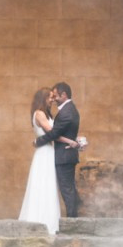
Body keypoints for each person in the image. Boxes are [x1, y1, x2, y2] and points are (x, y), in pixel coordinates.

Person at [33, 81, 82, 219]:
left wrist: (38, 141)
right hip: (63, 154)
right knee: (68, 189)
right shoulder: (69, 109)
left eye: (55, 96)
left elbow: (54, 133)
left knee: (67, 190)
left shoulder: (66, 111)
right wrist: (73, 141)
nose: (54, 99)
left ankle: (72, 221)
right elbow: (62, 132)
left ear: (64, 94)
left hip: (64, 156)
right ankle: (73, 217)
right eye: (51, 97)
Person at [18, 86, 61, 233]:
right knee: (42, 184)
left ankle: (49, 221)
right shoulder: (39, 114)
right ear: (42, 98)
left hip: (49, 151)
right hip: (44, 153)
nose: (52, 99)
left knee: (48, 184)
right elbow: (52, 132)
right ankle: (40, 221)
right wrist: (70, 141)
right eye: (50, 97)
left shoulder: (46, 114)